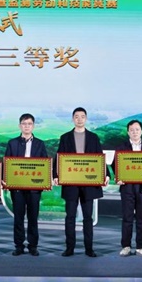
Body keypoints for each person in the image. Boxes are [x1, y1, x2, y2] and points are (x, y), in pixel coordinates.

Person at [54, 107, 109, 257]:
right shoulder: (65, 137)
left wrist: (105, 174)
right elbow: (58, 157)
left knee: (88, 217)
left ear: (86, 119)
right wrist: (55, 174)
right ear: (73, 119)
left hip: (88, 183)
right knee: (70, 217)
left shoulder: (93, 137)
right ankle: (69, 248)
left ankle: (89, 249)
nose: (79, 119)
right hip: (70, 182)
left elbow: (99, 157)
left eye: (82, 116)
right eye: (76, 116)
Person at [4, 113, 48, 256]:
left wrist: (46, 181)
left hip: (34, 187)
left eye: (29, 124)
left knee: (33, 217)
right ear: (20, 126)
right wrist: (5, 179)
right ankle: (19, 245)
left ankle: (33, 245)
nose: (26, 126)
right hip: (17, 186)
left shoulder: (40, 144)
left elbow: (45, 164)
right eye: (24, 124)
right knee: (18, 217)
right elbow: (7, 163)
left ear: (33, 126)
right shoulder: (12, 143)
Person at [113, 119, 142, 257]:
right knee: (127, 218)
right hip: (127, 187)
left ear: (141, 131)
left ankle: (140, 246)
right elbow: (115, 165)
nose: (135, 132)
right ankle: (126, 246)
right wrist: (118, 177)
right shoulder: (121, 148)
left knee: (141, 218)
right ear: (128, 132)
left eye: (137, 129)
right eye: (132, 130)